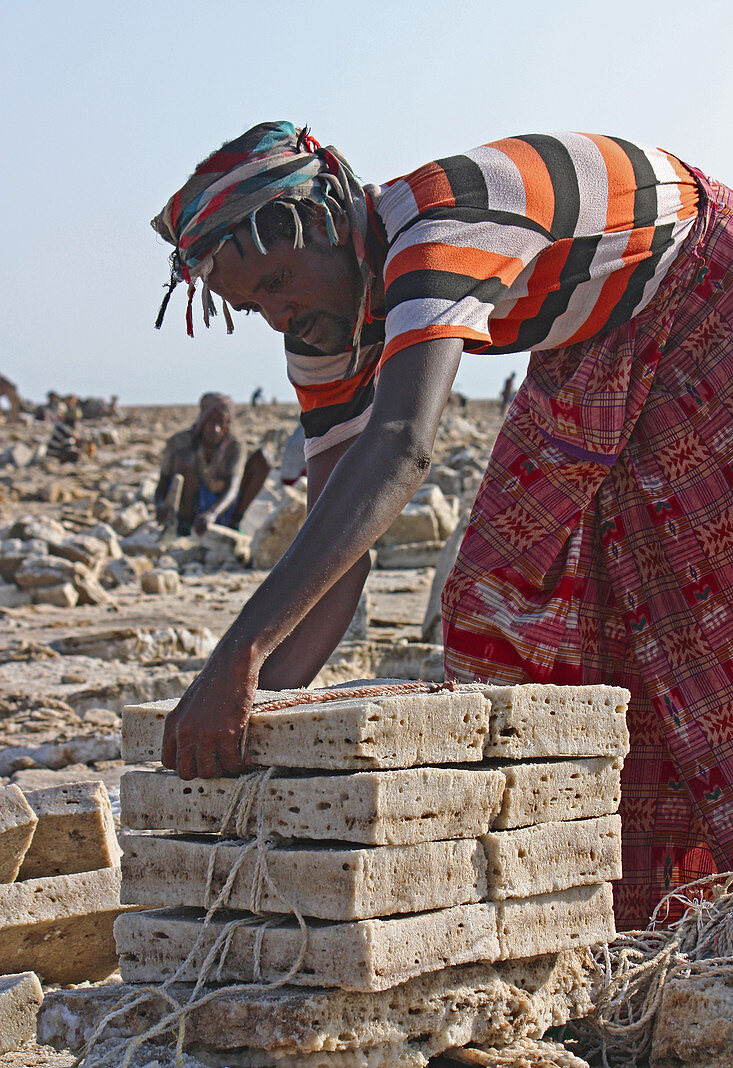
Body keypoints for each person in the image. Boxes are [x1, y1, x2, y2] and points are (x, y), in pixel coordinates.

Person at [152, 121, 733, 930]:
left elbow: (401, 447)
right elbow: (340, 543)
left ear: (330, 222)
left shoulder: (440, 227)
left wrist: (236, 657)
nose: (279, 315)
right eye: (255, 304)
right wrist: (258, 717)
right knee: (505, 597)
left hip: (705, 287)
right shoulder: (326, 325)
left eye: (281, 279)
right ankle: (622, 901)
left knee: (693, 600)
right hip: (591, 342)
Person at [154, 392, 270, 536]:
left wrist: (212, 513)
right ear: (202, 420)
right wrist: (160, 506)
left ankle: (233, 522)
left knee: (263, 459)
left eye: (220, 422)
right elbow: (162, 483)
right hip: (193, 504)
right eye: (211, 421)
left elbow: (233, 487)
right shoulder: (179, 442)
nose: (216, 429)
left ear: (227, 424)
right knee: (184, 458)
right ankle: (186, 524)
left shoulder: (234, 446)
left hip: (221, 507)